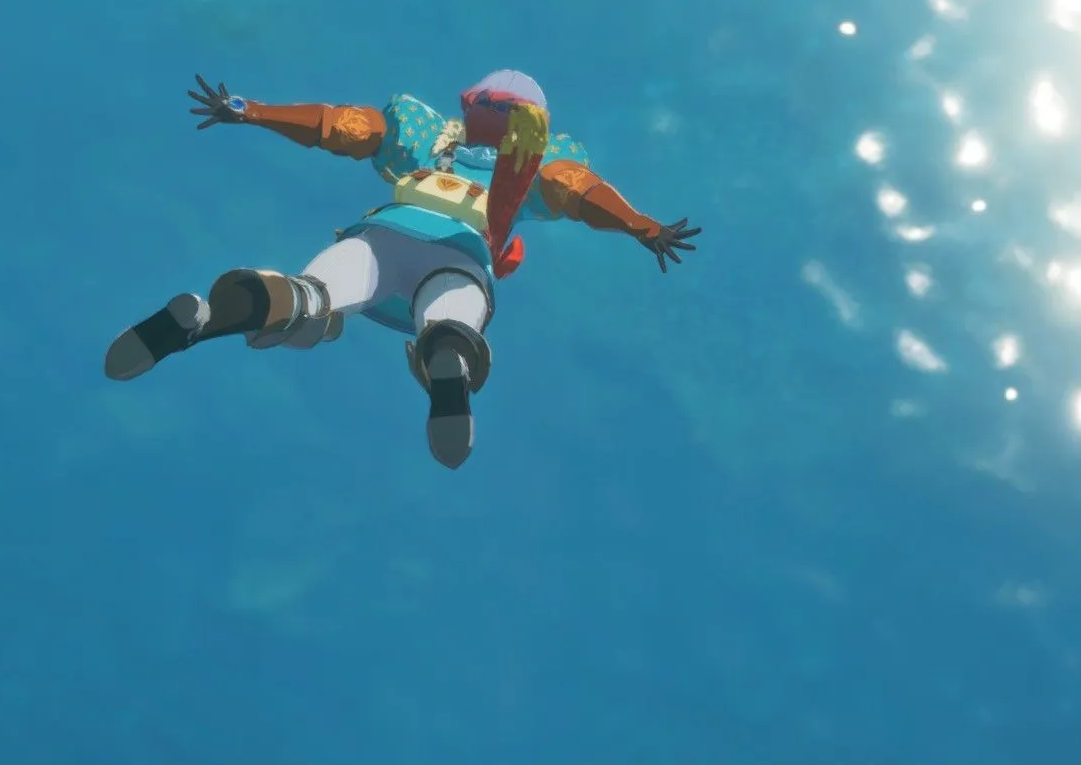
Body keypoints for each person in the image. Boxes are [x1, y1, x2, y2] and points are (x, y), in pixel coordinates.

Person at [104, 70, 700, 467]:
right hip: (461, 251)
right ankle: (448, 355)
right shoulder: (532, 171)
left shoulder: (422, 136)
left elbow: (343, 127)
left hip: (383, 235)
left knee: (312, 296)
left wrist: (254, 111)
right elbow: (578, 190)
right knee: (453, 305)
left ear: (472, 102)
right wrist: (641, 226)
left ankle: (203, 319)